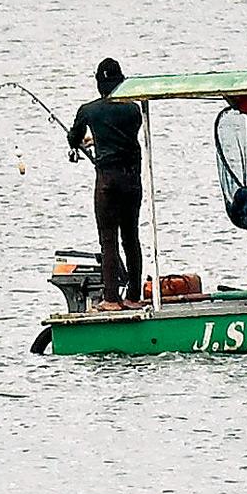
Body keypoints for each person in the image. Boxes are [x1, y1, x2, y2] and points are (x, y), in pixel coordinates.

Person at [68, 58, 144, 311]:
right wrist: (98, 138)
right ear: (120, 81)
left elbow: (73, 137)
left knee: (108, 239)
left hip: (107, 183)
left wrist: (85, 140)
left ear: (99, 83)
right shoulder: (133, 109)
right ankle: (133, 296)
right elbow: (122, 134)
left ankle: (111, 299)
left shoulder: (88, 110)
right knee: (131, 238)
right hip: (132, 180)